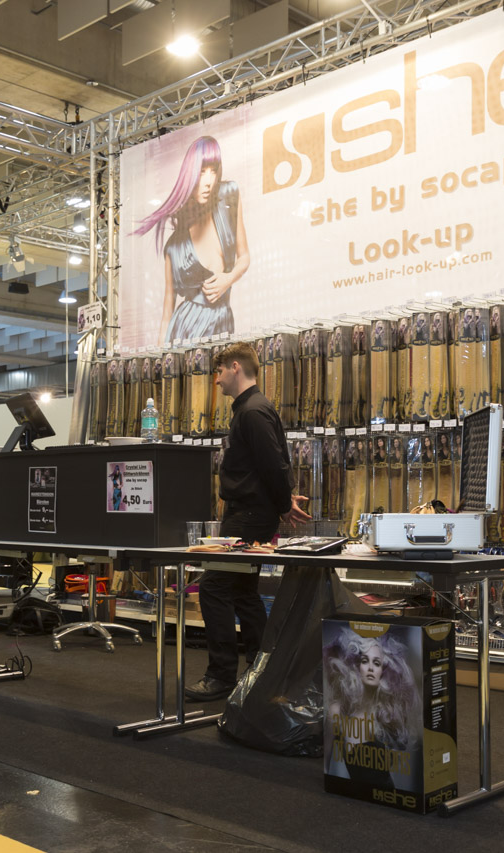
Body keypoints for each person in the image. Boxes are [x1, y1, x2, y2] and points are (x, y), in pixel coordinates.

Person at [184, 342, 310, 702]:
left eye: (219, 371)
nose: (216, 379)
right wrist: (281, 500)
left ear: (235, 367)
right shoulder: (252, 409)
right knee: (242, 591)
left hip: (248, 516)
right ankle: (260, 670)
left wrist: (282, 502)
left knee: (213, 588)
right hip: (250, 513)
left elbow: (274, 463)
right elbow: (271, 463)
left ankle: (221, 675)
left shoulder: (253, 411)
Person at [133, 135, 250, 345]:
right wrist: (160, 357)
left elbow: (244, 257)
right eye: (202, 171)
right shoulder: (174, 246)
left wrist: (228, 279)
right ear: (190, 175)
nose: (208, 181)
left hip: (222, 321)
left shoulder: (229, 196)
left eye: (213, 170)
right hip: (185, 330)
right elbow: (167, 312)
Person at [323, 627, 421, 788]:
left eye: (376, 663)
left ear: (383, 671)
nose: (370, 668)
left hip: (386, 794)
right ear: (356, 665)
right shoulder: (338, 710)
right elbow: (325, 764)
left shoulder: (385, 713)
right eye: (364, 661)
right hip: (358, 796)